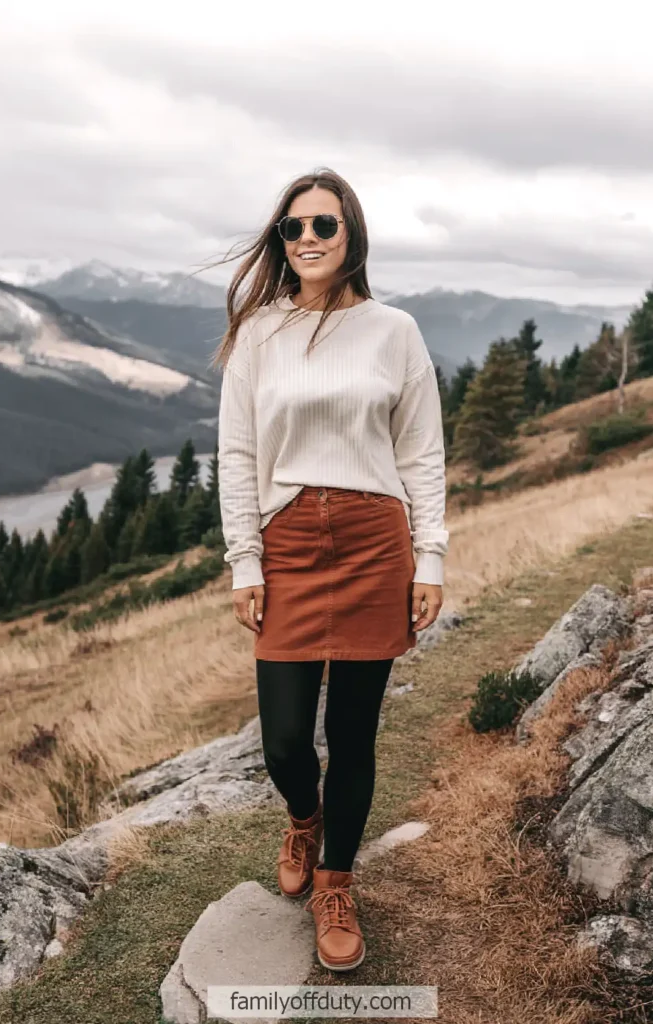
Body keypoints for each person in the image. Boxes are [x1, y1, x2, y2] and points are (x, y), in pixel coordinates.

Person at [210, 166, 449, 972]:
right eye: (293, 227)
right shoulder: (258, 334)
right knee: (283, 742)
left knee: (352, 734)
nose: (307, 239)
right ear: (281, 240)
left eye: (324, 225)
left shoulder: (395, 331)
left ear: (351, 237)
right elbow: (236, 456)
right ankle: (301, 816)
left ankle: (336, 883)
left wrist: (431, 558)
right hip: (285, 543)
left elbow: (421, 453)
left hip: (374, 540)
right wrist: (246, 560)